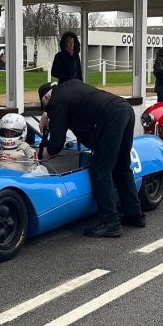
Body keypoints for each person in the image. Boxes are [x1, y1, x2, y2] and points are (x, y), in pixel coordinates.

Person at [37, 80, 143, 237]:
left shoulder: (56, 102)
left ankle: (111, 222)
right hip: (125, 108)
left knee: (101, 169)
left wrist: (46, 152)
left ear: (46, 98)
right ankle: (135, 215)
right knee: (122, 166)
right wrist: (48, 115)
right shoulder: (69, 86)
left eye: (45, 106)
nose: (47, 110)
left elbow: (57, 143)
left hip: (111, 117)